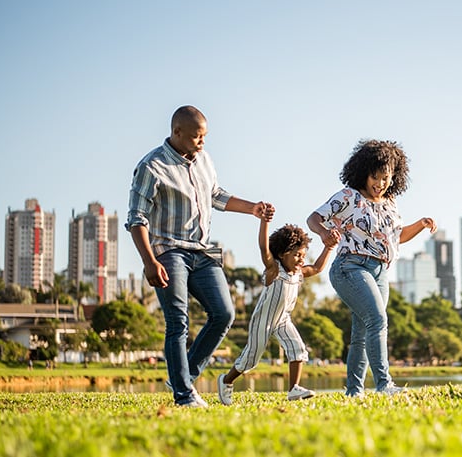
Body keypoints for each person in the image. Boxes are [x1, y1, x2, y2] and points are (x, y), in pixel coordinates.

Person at [126, 105, 273, 408]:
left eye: (205, 136)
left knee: (224, 313)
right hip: (168, 251)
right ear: (176, 132)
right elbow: (136, 219)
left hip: (202, 251)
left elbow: (216, 195)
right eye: (196, 137)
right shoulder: (152, 166)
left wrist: (252, 208)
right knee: (178, 321)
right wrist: (149, 261)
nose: (202, 142)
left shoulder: (204, 160)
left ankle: (184, 375)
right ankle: (183, 395)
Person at [307, 139, 437, 397]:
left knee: (362, 332)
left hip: (380, 272)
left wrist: (420, 224)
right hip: (350, 267)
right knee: (378, 319)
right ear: (363, 173)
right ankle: (384, 384)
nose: (380, 184)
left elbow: (396, 236)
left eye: (386, 178)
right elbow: (314, 218)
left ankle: (354, 392)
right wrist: (324, 233)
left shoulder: (390, 201)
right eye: (375, 177)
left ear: (394, 177)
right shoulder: (349, 196)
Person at [217, 214, 340, 405]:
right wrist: (264, 222)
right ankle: (226, 380)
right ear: (283, 254)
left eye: (303, 255)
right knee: (251, 358)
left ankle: (293, 389)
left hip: (283, 319)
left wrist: (329, 247)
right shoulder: (274, 269)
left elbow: (316, 268)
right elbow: (263, 248)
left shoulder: (298, 273)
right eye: (297, 255)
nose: (301, 260)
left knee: (298, 349)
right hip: (264, 320)